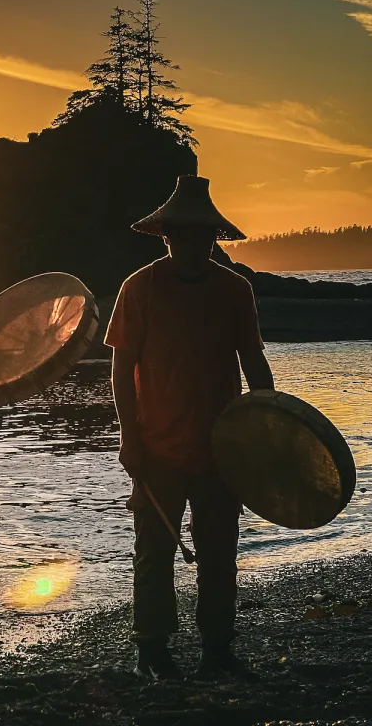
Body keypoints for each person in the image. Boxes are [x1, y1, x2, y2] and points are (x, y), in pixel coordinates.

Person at [106, 175, 275, 682]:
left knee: (220, 551)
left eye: (201, 236)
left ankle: (217, 648)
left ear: (213, 239)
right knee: (154, 551)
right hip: (156, 446)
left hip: (222, 447)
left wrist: (268, 428)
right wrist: (128, 437)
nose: (192, 244)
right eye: (181, 235)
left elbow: (254, 364)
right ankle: (152, 648)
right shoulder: (139, 289)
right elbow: (120, 368)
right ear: (166, 236)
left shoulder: (234, 290)